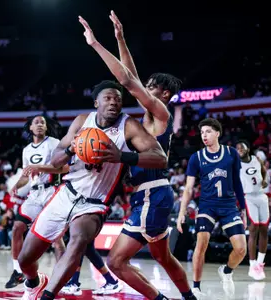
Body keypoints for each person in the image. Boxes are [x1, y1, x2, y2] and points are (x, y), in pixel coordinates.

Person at [79, 13, 195, 300]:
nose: (145, 87)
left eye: (151, 86)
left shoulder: (160, 112)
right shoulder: (145, 118)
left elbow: (129, 82)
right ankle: (189, 298)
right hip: (153, 194)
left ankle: (159, 299)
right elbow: (131, 77)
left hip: (151, 194)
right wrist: (120, 37)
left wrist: (95, 44)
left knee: (116, 262)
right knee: (164, 258)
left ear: (163, 94)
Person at [17, 79, 168, 300]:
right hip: (66, 194)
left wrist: (123, 156)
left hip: (95, 203)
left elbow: (160, 159)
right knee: (25, 259)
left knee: (77, 241)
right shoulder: (82, 121)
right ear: (96, 102)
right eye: (108, 98)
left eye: (117, 99)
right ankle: (34, 282)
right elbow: (56, 160)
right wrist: (71, 148)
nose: (113, 102)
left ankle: (47, 297)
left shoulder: (129, 126)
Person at [177, 118, 247, 297]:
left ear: (217, 133)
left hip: (229, 205)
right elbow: (189, 188)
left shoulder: (231, 153)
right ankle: (196, 287)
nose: (204, 136)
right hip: (207, 206)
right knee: (201, 242)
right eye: (202, 133)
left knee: (241, 249)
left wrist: (244, 210)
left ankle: (227, 271)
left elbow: (238, 183)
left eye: (208, 131)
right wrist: (181, 212)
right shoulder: (196, 157)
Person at [5, 115, 68, 289]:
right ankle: (18, 271)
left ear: (46, 128)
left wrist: (40, 168)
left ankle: (63, 277)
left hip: (52, 191)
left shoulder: (54, 143)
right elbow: (27, 176)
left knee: (56, 239)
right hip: (34, 194)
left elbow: (66, 167)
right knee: (17, 228)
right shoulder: (27, 150)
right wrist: (18, 184)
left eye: (43, 123)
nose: (40, 125)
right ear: (31, 128)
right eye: (36, 123)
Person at [236, 140, 269, 281]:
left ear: (247, 148)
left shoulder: (256, 159)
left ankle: (260, 264)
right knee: (253, 228)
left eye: (241, 147)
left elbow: (263, 169)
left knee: (264, 229)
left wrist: (264, 179)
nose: (239, 150)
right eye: (237, 149)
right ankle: (251, 264)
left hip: (261, 195)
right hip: (248, 197)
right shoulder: (236, 165)